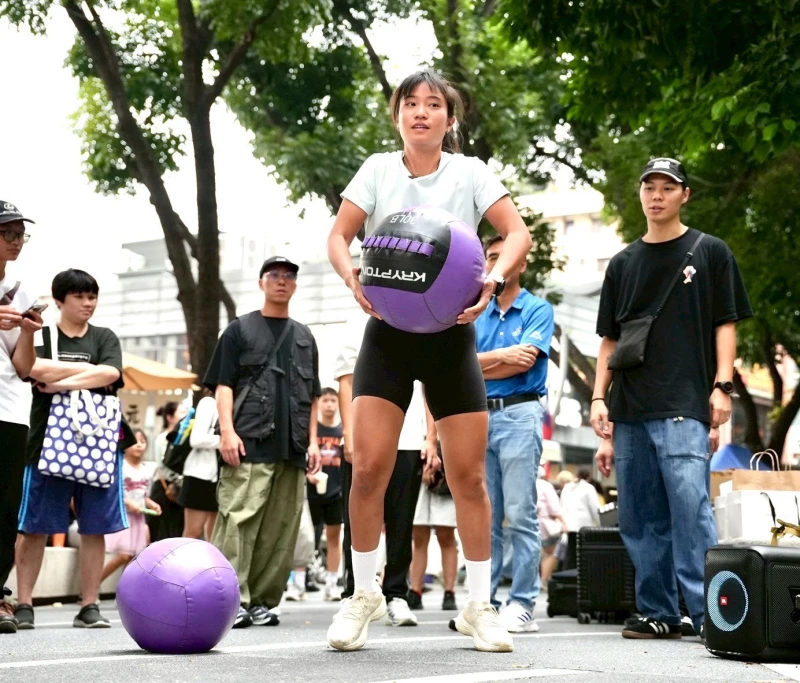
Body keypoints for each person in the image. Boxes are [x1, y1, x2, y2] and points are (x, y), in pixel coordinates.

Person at [326, 68, 533, 653]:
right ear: (397, 116)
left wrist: (491, 279)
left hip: (450, 335)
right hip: (387, 332)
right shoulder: (376, 170)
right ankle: (363, 594)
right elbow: (339, 236)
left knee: (468, 477)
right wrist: (351, 277)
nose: (421, 112)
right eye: (410, 103)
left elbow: (515, 232)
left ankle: (478, 605)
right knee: (368, 470)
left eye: (433, 104)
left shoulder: (469, 173)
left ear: (450, 117)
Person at [591, 157, 752, 640]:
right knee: (639, 516)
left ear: (684, 195)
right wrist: (600, 398)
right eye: (649, 187)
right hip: (631, 405)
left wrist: (722, 386)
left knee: (690, 509)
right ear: (640, 194)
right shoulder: (621, 264)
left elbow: (726, 322)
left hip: (684, 402)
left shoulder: (711, 252)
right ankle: (657, 611)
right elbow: (609, 341)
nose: (656, 195)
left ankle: (712, 616)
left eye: (668, 187)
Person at [204, 255, 322, 630]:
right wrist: (227, 430)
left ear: (295, 285)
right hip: (249, 441)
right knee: (238, 520)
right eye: (274, 275)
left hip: (293, 447)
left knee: (281, 528)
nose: (282, 281)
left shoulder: (304, 335)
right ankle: (229, 599)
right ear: (261, 283)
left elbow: (314, 395)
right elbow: (223, 385)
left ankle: (263, 601)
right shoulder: (239, 330)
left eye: (289, 276)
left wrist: (315, 443)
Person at [15, 269, 126, 629]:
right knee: (35, 526)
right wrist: (87, 371)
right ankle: (24, 603)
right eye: (79, 296)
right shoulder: (42, 334)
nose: (88, 303)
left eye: (92, 296)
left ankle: (89, 605)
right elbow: (34, 368)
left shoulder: (105, 336)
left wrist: (62, 383)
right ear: (59, 300)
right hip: (47, 443)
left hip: (99, 446)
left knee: (95, 527)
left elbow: (111, 374)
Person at [474, 234, 554, 633]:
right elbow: (459, 368)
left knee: (521, 513)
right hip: (477, 416)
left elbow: (525, 365)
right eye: (491, 258)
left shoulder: (539, 309)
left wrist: (483, 364)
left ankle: (522, 603)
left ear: (521, 263)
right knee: (485, 516)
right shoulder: (473, 313)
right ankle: (483, 605)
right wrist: (504, 357)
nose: (497, 264)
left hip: (521, 413)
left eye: (505, 257)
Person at [335, 314, 428, 627]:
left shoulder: (420, 315)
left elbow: (428, 385)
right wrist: (348, 435)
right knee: (357, 517)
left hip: (411, 437)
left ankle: (396, 595)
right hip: (365, 437)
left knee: (402, 520)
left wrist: (431, 436)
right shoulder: (355, 323)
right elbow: (345, 380)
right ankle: (354, 592)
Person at [0, 201, 42, 634]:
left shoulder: (21, 290)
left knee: (5, 508)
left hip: (10, 409)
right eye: (7, 233)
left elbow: (24, 368)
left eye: (20, 234)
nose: (15, 241)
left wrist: (27, 334)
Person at [297, 387, 345, 602]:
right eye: (325, 400)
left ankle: (332, 584)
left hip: (335, 491)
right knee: (306, 538)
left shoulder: (343, 432)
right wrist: (309, 476)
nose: (329, 405)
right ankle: (297, 583)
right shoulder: (312, 434)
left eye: (333, 401)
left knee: (334, 537)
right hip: (311, 491)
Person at [409, 431, 459, 612]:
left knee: (446, 535)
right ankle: (415, 590)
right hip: (416, 460)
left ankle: (449, 591)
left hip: (446, 465)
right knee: (419, 536)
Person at [102, 429, 161, 580]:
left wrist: (152, 504)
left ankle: (124, 593)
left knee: (133, 558)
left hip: (138, 518)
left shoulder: (147, 470)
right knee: (124, 555)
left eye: (142, 441)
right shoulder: (119, 467)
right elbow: (113, 492)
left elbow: (144, 495)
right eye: (135, 441)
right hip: (123, 516)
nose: (139, 445)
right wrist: (127, 502)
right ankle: (92, 586)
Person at [179, 393, 220, 540]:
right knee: (192, 534)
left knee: (215, 537)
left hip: (222, 477)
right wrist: (225, 440)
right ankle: (182, 564)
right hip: (200, 476)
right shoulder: (209, 402)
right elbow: (196, 439)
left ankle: (212, 564)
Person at [147, 401, 187, 542]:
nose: (185, 415)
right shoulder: (162, 439)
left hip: (182, 489)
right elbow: (161, 466)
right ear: (169, 417)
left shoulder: (187, 437)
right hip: (165, 487)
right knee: (161, 532)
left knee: (179, 531)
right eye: (181, 412)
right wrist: (176, 482)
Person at [536, 467, 568, 587]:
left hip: (526, 524)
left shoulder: (524, 483)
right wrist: (564, 522)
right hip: (544, 525)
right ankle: (543, 580)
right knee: (551, 553)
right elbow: (554, 508)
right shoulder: (545, 485)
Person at [559, 467, 600, 533]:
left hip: (568, 528)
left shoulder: (566, 487)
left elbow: (561, 506)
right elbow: (595, 509)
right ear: (589, 477)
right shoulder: (589, 488)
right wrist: (600, 524)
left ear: (576, 474)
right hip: (584, 528)